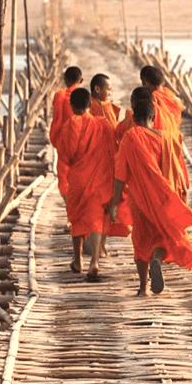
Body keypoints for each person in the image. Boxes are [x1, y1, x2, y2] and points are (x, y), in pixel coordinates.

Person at [110, 98, 192, 296]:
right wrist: (181, 194)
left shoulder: (130, 138)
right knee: (163, 236)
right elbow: (178, 170)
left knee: (141, 241)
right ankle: (157, 258)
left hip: (139, 199)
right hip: (164, 197)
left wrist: (115, 204)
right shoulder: (167, 138)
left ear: (133, 116)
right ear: (154, 117)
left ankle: (143, 287)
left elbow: (120, 175)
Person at [59, 89, 131, 279]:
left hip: (78, 179)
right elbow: (113, 150)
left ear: (72, 106)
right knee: (97, 216)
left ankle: (77, 260)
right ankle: (94, 261)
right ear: (90, 105)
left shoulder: (69, 126)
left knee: (76, 217)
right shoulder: (103, 124)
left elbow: (65, 156)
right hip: (99, 178)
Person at [138, 66, 190, 200]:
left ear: (145, 82)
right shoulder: (172, 98)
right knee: (174, 188)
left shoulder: (152, 101)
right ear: (162, 82)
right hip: (173, 146)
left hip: (158, 150)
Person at [50, 66, 82, 198]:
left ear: (64, 80)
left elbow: (57, 118)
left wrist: (56, 139)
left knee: (64, 175)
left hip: (63, 141)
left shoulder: (60, 95)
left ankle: (68, 201)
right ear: (81, 81)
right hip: (81, 140)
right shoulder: (83, 96)